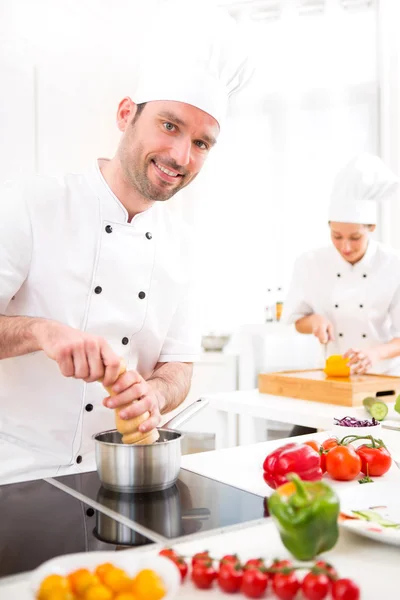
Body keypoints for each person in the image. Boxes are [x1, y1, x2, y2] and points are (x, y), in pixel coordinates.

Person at [0, 2, 253, 474]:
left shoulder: (185, 246)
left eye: (201, 143)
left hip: (118, 477)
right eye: (169, 124)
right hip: (17, 475)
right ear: (125, 114)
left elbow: (178, 368)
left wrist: (154, 394)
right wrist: (41, 331)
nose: (180, 155)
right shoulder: (30, 203)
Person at [282, 153, 400, 436]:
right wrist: (315, 321)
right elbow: (298, 319)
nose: (345, 246)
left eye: (355, 238)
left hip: (382, 383)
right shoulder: (309, 262)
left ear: (371, 228)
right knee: (308, 445)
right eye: (337, 236)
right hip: (330, 381)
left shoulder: (393, 265)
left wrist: (373, 353)